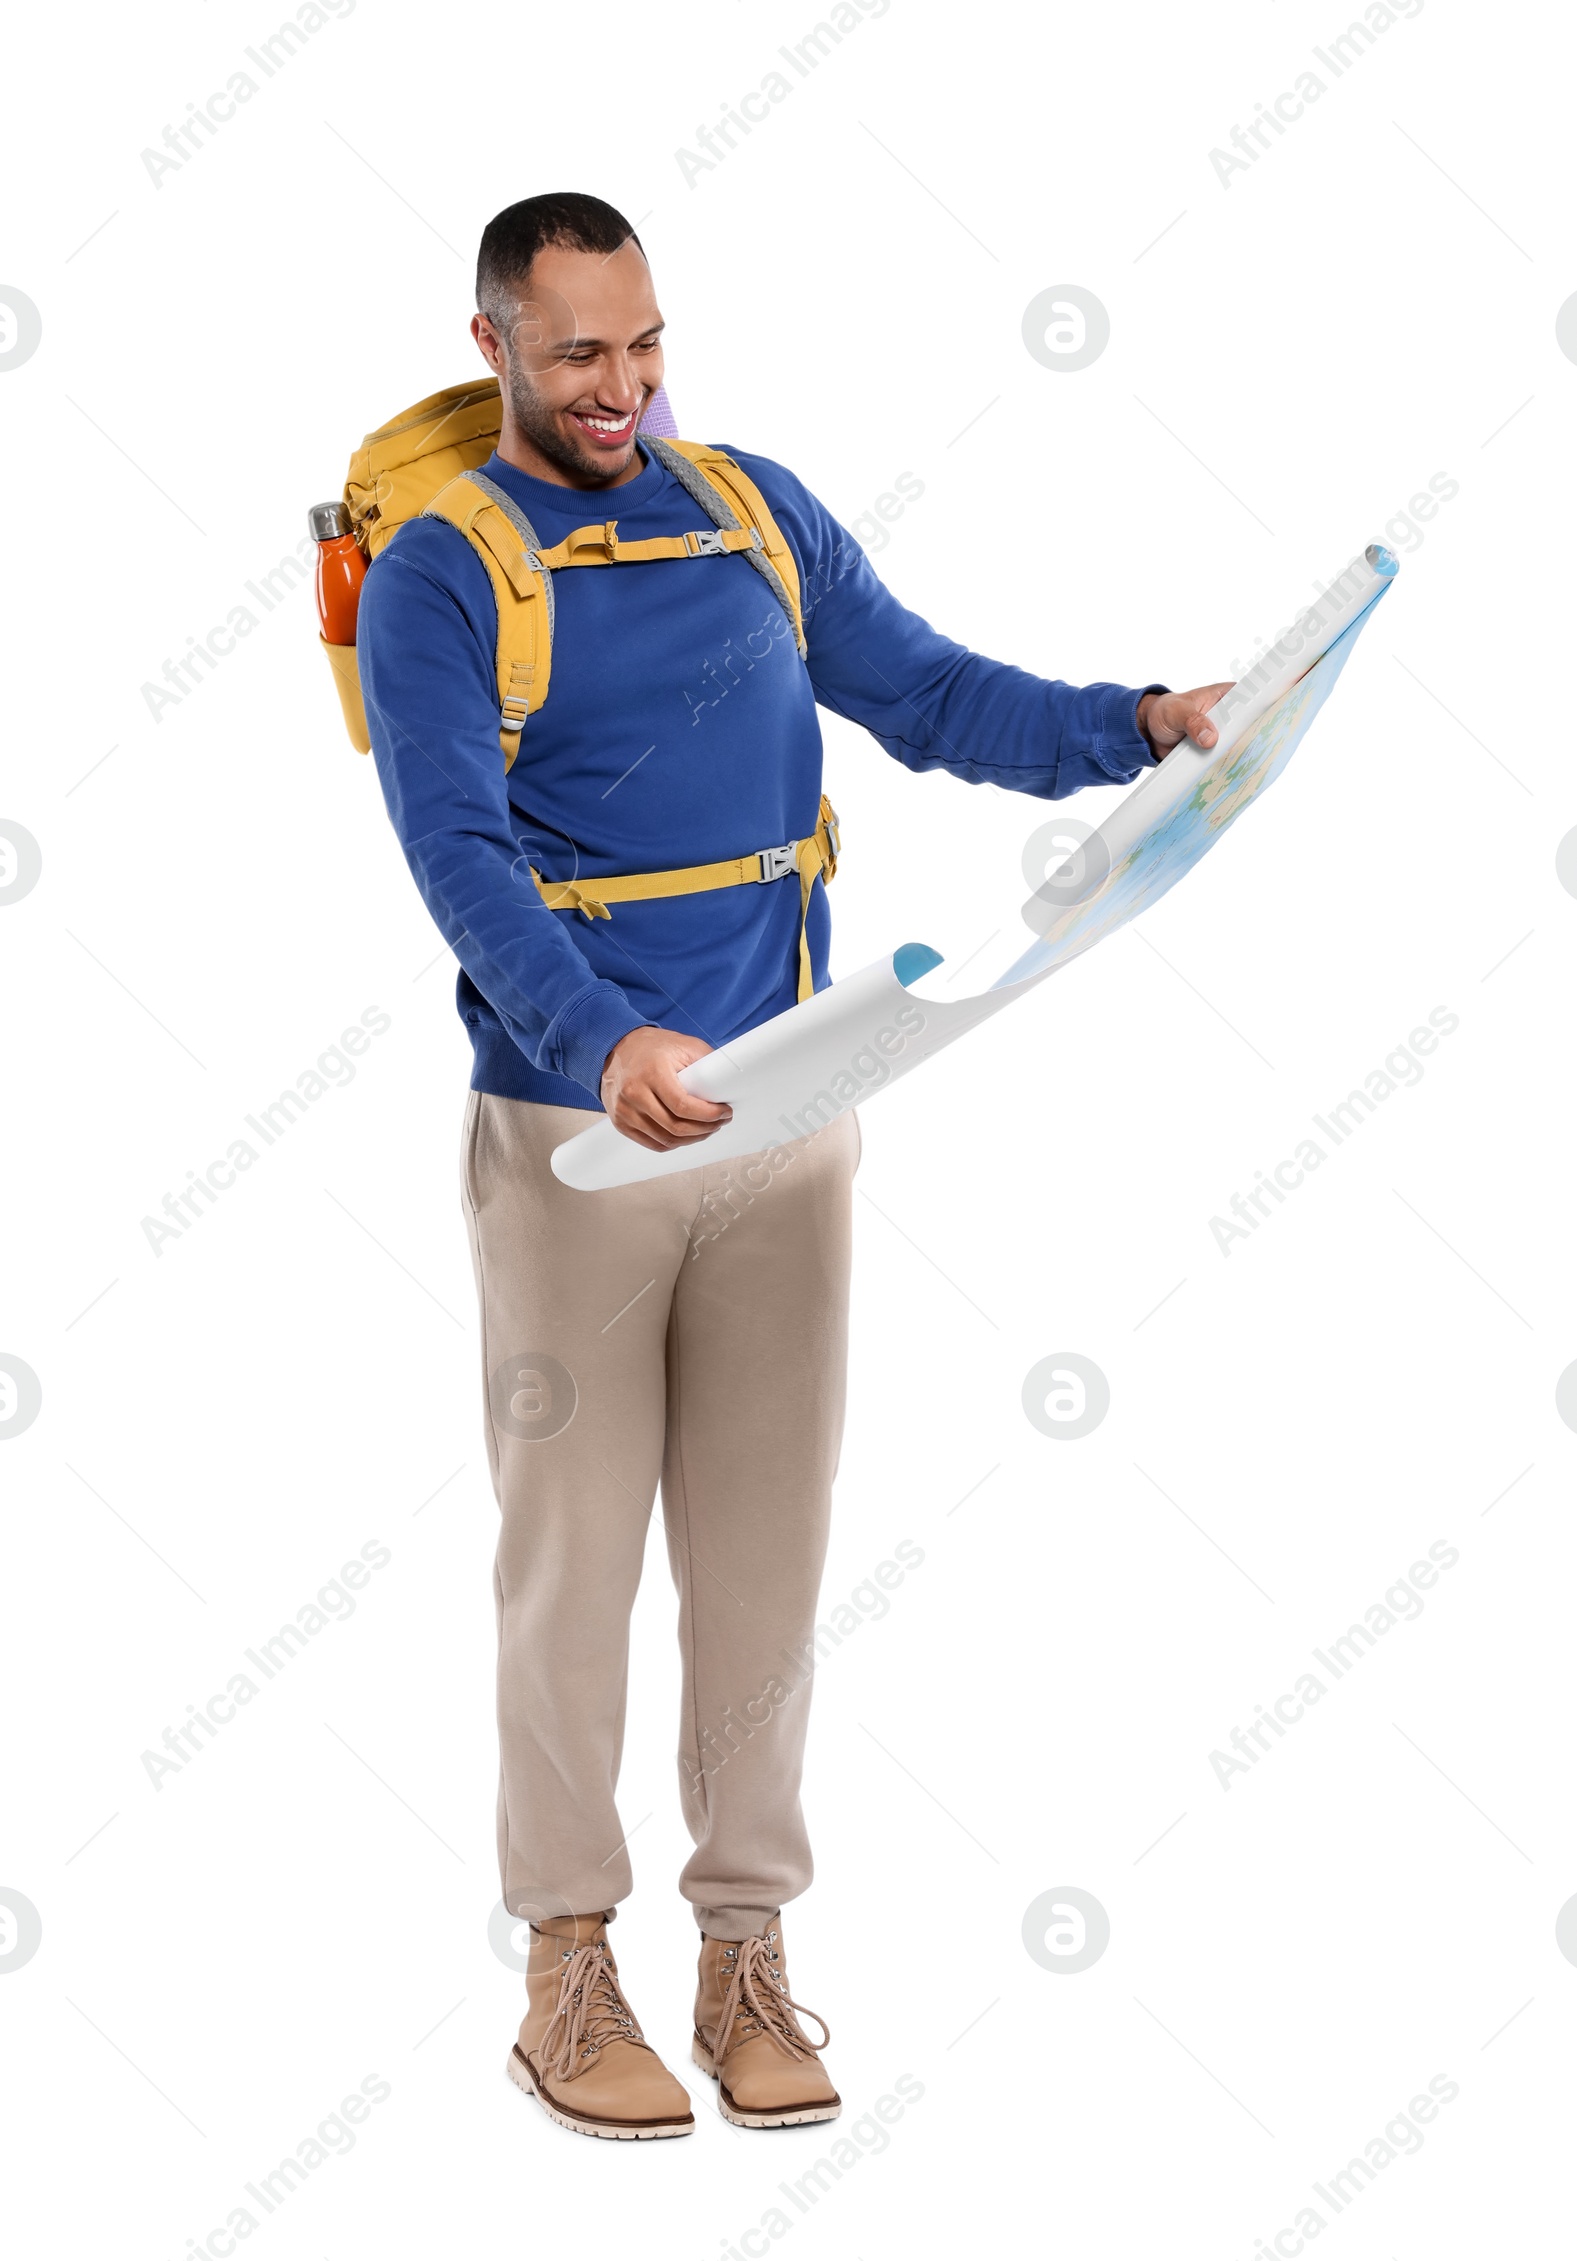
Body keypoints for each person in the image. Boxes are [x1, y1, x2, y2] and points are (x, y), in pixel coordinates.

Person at [358, 190, 1229, 2142]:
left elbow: (928, 695)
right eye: (580, 351)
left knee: (760, 1565)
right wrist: (604, 1042)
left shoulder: (746, 509)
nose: (624, 386)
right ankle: (566, 1970)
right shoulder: (444, 568)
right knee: (569, 1566)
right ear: (492, 343)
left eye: (646, 341)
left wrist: (1137, 726)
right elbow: (456, 856)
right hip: (570, 1138)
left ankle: (742, 1951)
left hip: (796, 1110)